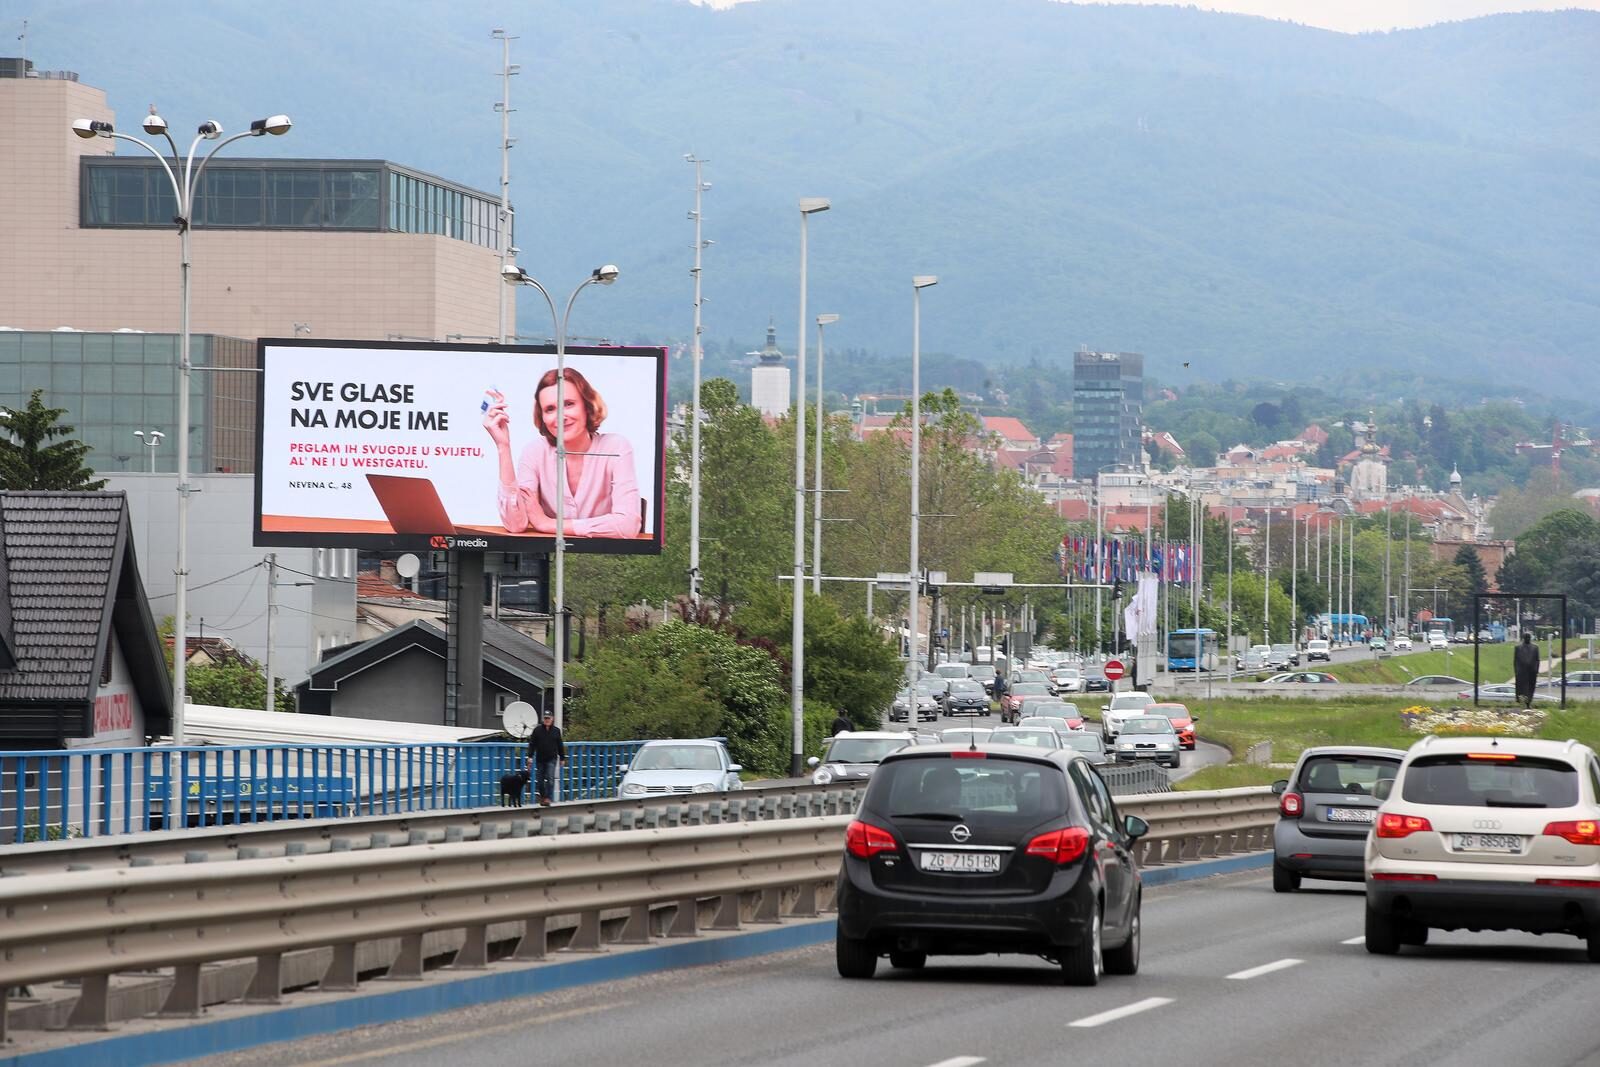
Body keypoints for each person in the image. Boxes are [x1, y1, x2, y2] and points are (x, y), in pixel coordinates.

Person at [484, 367, 643, 537]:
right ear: (543, 417)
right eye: (550, 409)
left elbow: (627, 526)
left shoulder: (616, 447)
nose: (561, 416)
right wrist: (503, 446)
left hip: (610, 559)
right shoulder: (535, 452)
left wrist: (549, 524)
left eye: (568, 404)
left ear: (587, 406)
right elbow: (516, 525)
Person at [526, 709, 566, 806]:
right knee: (540, 781)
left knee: (550, 779)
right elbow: (532, 744)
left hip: (551, 758)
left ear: (552, 719)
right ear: (543, 719)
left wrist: (562, 758)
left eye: (548, 718)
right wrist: (530, 756)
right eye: (545, 718)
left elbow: (560, 745)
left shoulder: (556, 731)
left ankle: (548, 798)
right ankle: (543, 797)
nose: (547, 720)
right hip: (540, 759)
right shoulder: (537, 730)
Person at [1513, 632, 1540, 709]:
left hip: (1532, 672)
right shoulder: (1518, 648)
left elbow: (1537, 660)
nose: (1527, 639)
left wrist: (1536, 670)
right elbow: (1515, 661)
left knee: (1531, 688)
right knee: (1522, 688)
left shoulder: (1535, 648)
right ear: (1523, 638)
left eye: (1529, 637)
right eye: (1526, 637)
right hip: (1521, 672)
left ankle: (1529, 702)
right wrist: (1517, 671)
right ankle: (1522, 702)